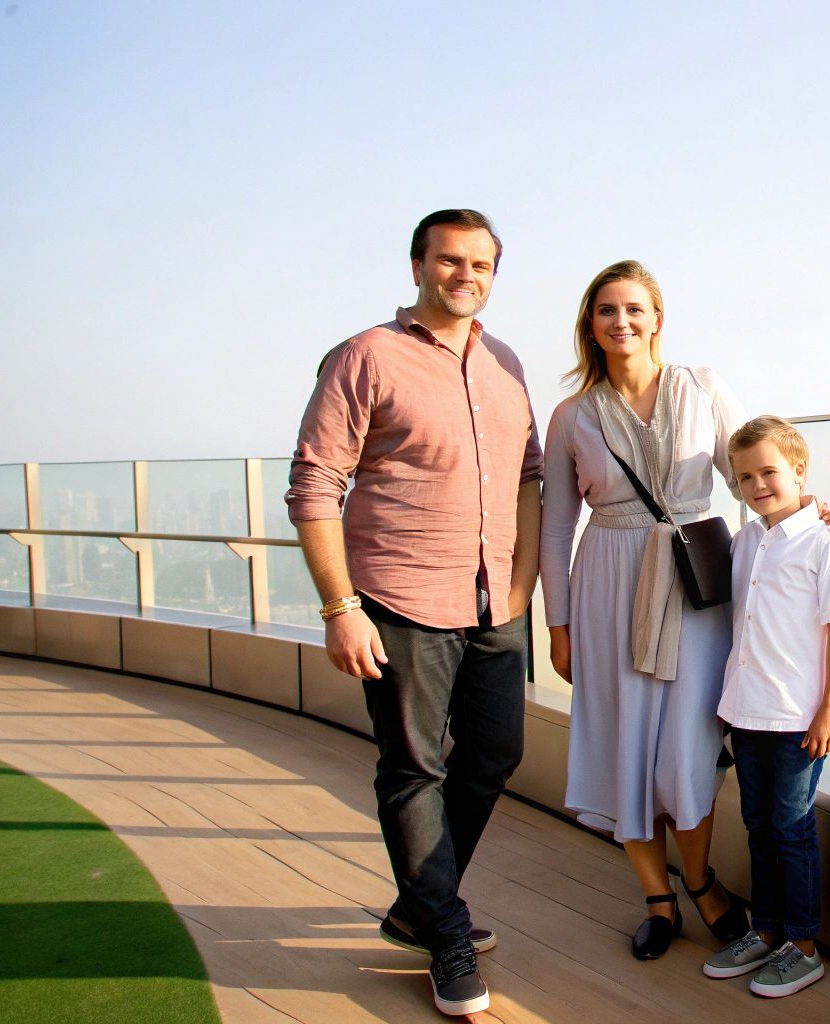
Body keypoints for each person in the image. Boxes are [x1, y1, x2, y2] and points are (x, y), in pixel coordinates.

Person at [286, 209, 540, 1018]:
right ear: (417, 265)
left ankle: (421, 906)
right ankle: (446, 932)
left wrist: (524, 583)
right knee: (414, 768)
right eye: (451, 260)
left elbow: (530, 479)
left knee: (495, 753)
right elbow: (315, 485)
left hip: (494, 601)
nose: (466, 275)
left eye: (482, 264)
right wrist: (340, 606)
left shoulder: (505, 363)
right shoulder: (367, 355)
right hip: (398, 597)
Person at [539, 259, 754, 960]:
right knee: (625, 748)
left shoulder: (704, 388)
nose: (621, 321)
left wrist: (809, 519)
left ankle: (697, 880)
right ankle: (656, 900)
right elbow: (555, 525)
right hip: (607, 585)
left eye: (634, 309)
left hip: (693, 585)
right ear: (590, 325)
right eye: (606, 310)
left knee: (689, 751)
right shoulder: (572, 415)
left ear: (658, 318)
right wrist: (559, 624)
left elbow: (749, 478)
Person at [699, 417, 830, 998]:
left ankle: (804, 945)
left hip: (798, 718)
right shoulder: (746, 542)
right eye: (745, 477)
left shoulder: (827, 540)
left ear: (799, 470)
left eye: (769, 471)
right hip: (748, 711)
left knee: (792, 829)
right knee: (758, 825)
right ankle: (764, 929)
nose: (758, 484)